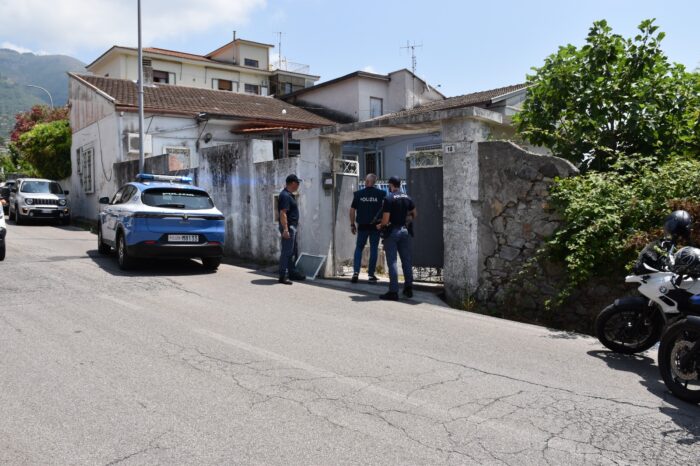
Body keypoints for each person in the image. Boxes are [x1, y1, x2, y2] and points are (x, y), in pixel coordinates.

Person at [377, 176, 417, 300]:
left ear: (391, 185)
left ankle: (393, 291)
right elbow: (414, 214)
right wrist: (406, 220)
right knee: (406, 260)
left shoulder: (389, 198)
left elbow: (385, 219)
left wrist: (380, 225)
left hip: (392, 232)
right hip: (404, 231)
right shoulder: (408, 198)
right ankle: (408, 288)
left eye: (389, 185)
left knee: (392, 262)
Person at [349, 174, 386, 283]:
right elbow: (386, 210)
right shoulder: (381, 194)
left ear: (366, 181)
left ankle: (356, 272)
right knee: (374, 249)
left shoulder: (358, 194)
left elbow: (352, 210)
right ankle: (371, 274)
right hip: (375, 226)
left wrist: (352, 224)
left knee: (359, 248)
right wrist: (383, 224)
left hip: (362, 226)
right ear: (374, 182)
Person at [278, 174, 306, 285]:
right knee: (286, 252)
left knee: (292, 252)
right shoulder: (285, 195)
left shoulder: (289, 195)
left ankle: (292, 273)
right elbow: (283, 213)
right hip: (288, 227)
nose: (298, 185)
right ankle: (283, 275)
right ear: (293, 183)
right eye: (298, 183)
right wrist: (285, 229)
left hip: (292, 227)